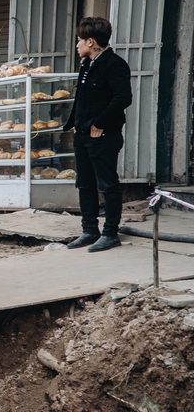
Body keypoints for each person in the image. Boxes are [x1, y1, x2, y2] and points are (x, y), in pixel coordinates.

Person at [64, 17, 133, 252]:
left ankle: (110, 233)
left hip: (103, 135)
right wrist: (75, 122)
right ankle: (89, 230)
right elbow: (82, 98)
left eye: (80, 40)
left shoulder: (115, 65)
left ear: (91, 41)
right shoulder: (86, 64)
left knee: (107, 184)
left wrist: (100, 123)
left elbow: (123, 98)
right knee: (84, 184)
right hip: (83, 134)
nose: (77, 45)